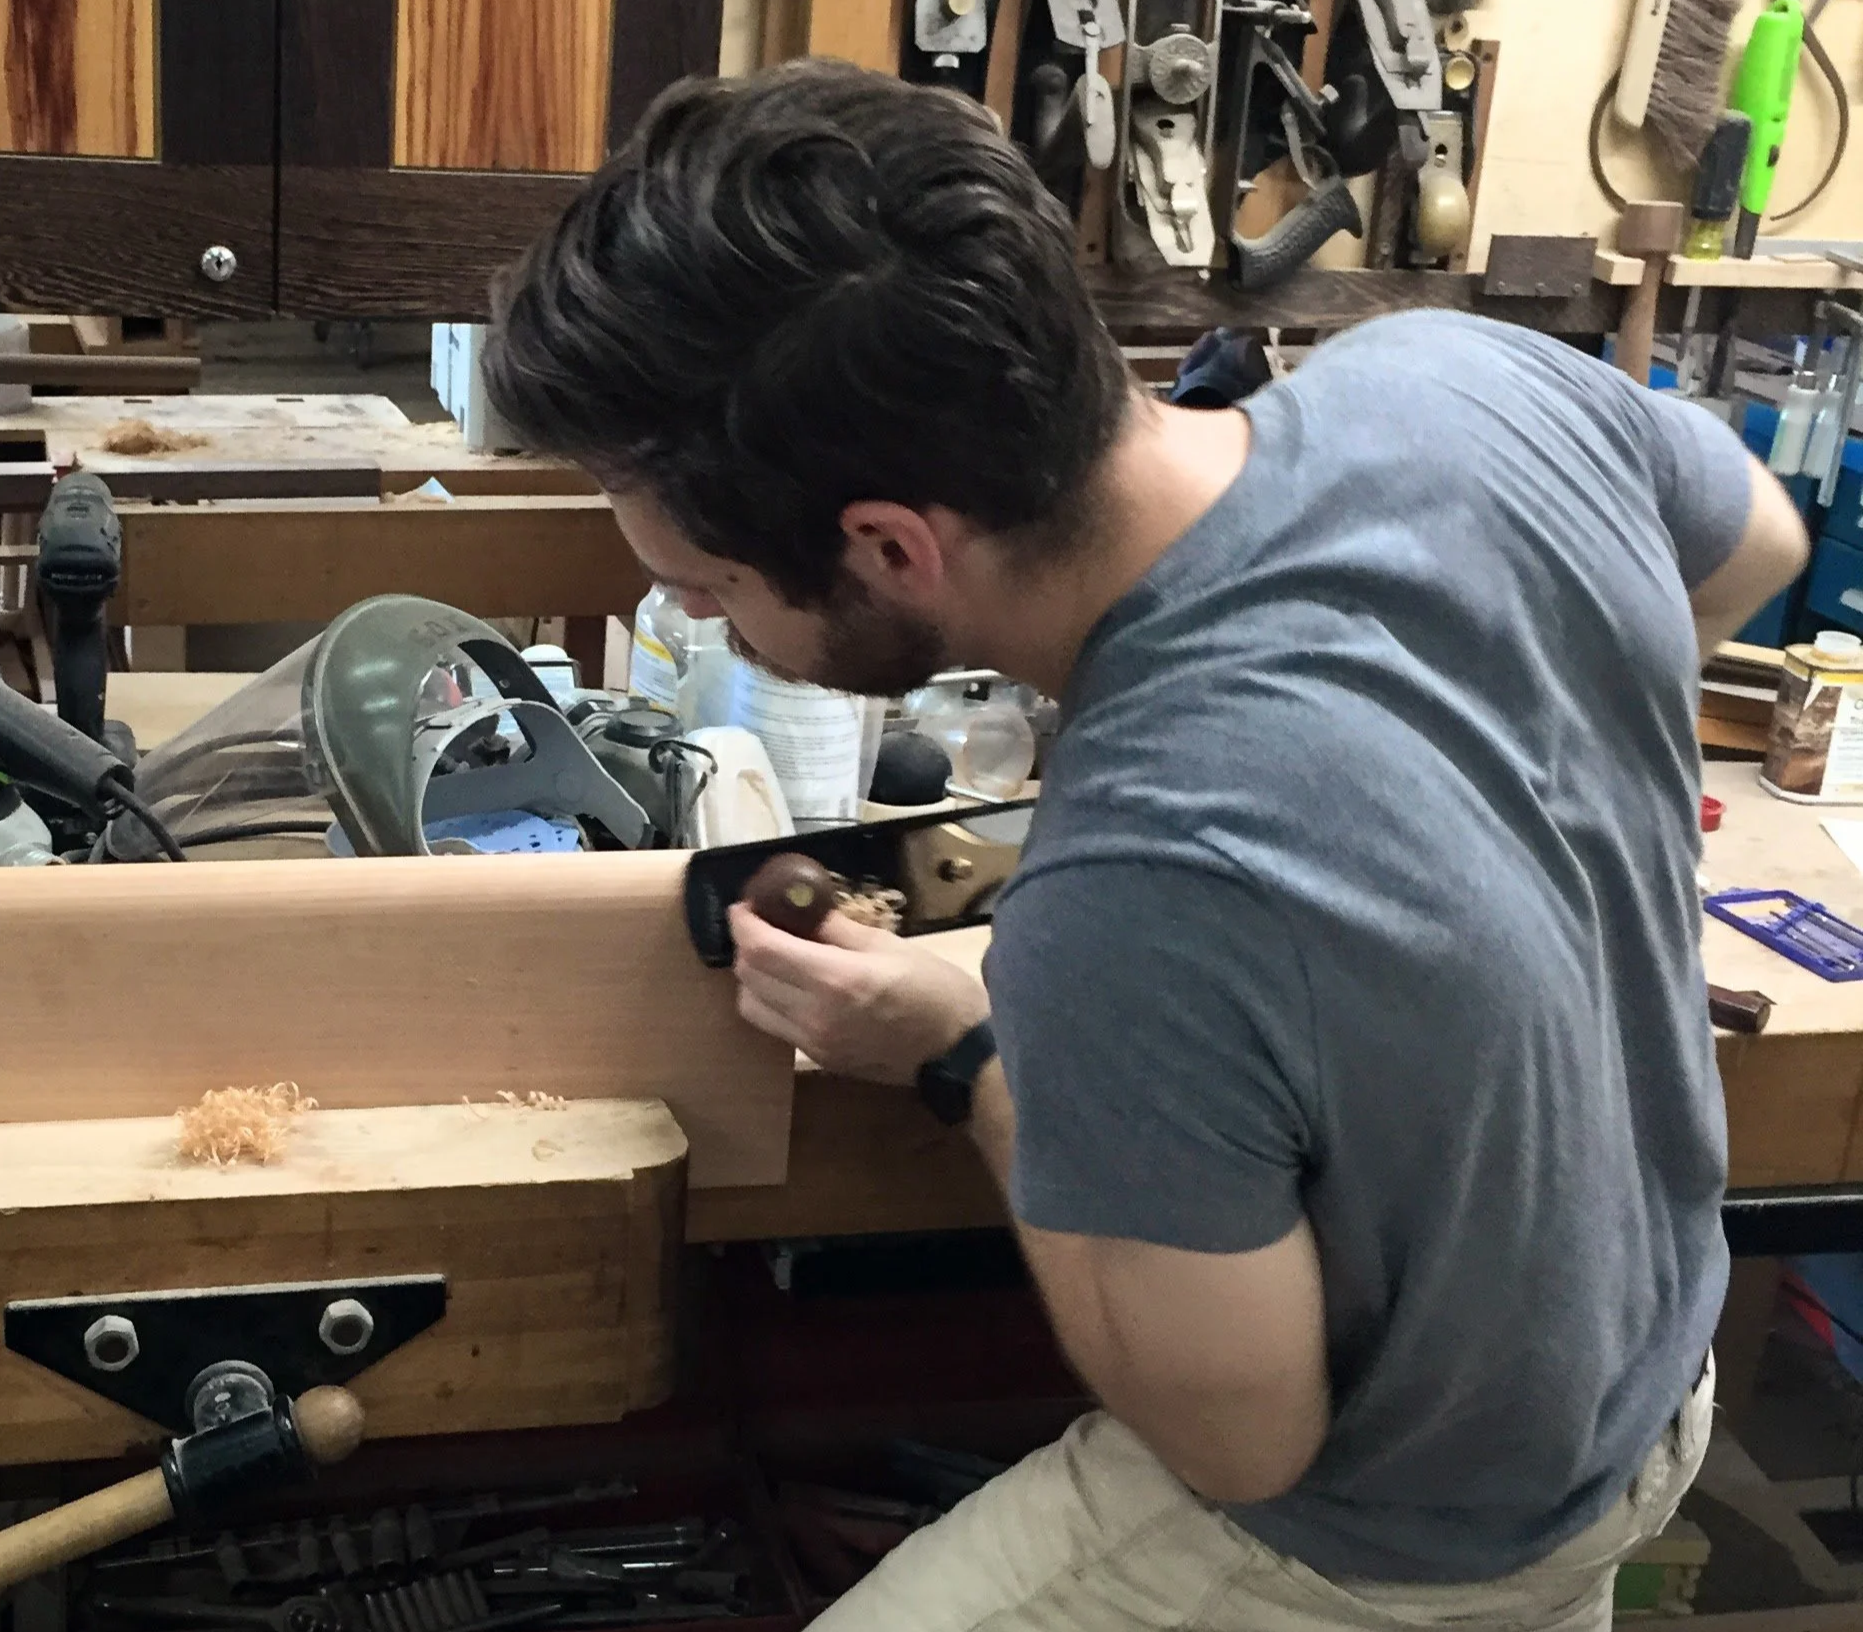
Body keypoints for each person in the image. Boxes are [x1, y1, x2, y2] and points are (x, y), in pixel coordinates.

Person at [482, 60, 1810, 1632]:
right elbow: (1759, 545)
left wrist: (969, 1057)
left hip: (1407, 1533)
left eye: (707, 592)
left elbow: (1242, 1444)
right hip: (1646, 1384)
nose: (693, 618)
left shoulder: (1136, 886)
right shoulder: (1462, 377)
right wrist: (1515, 793)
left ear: (890, 547)